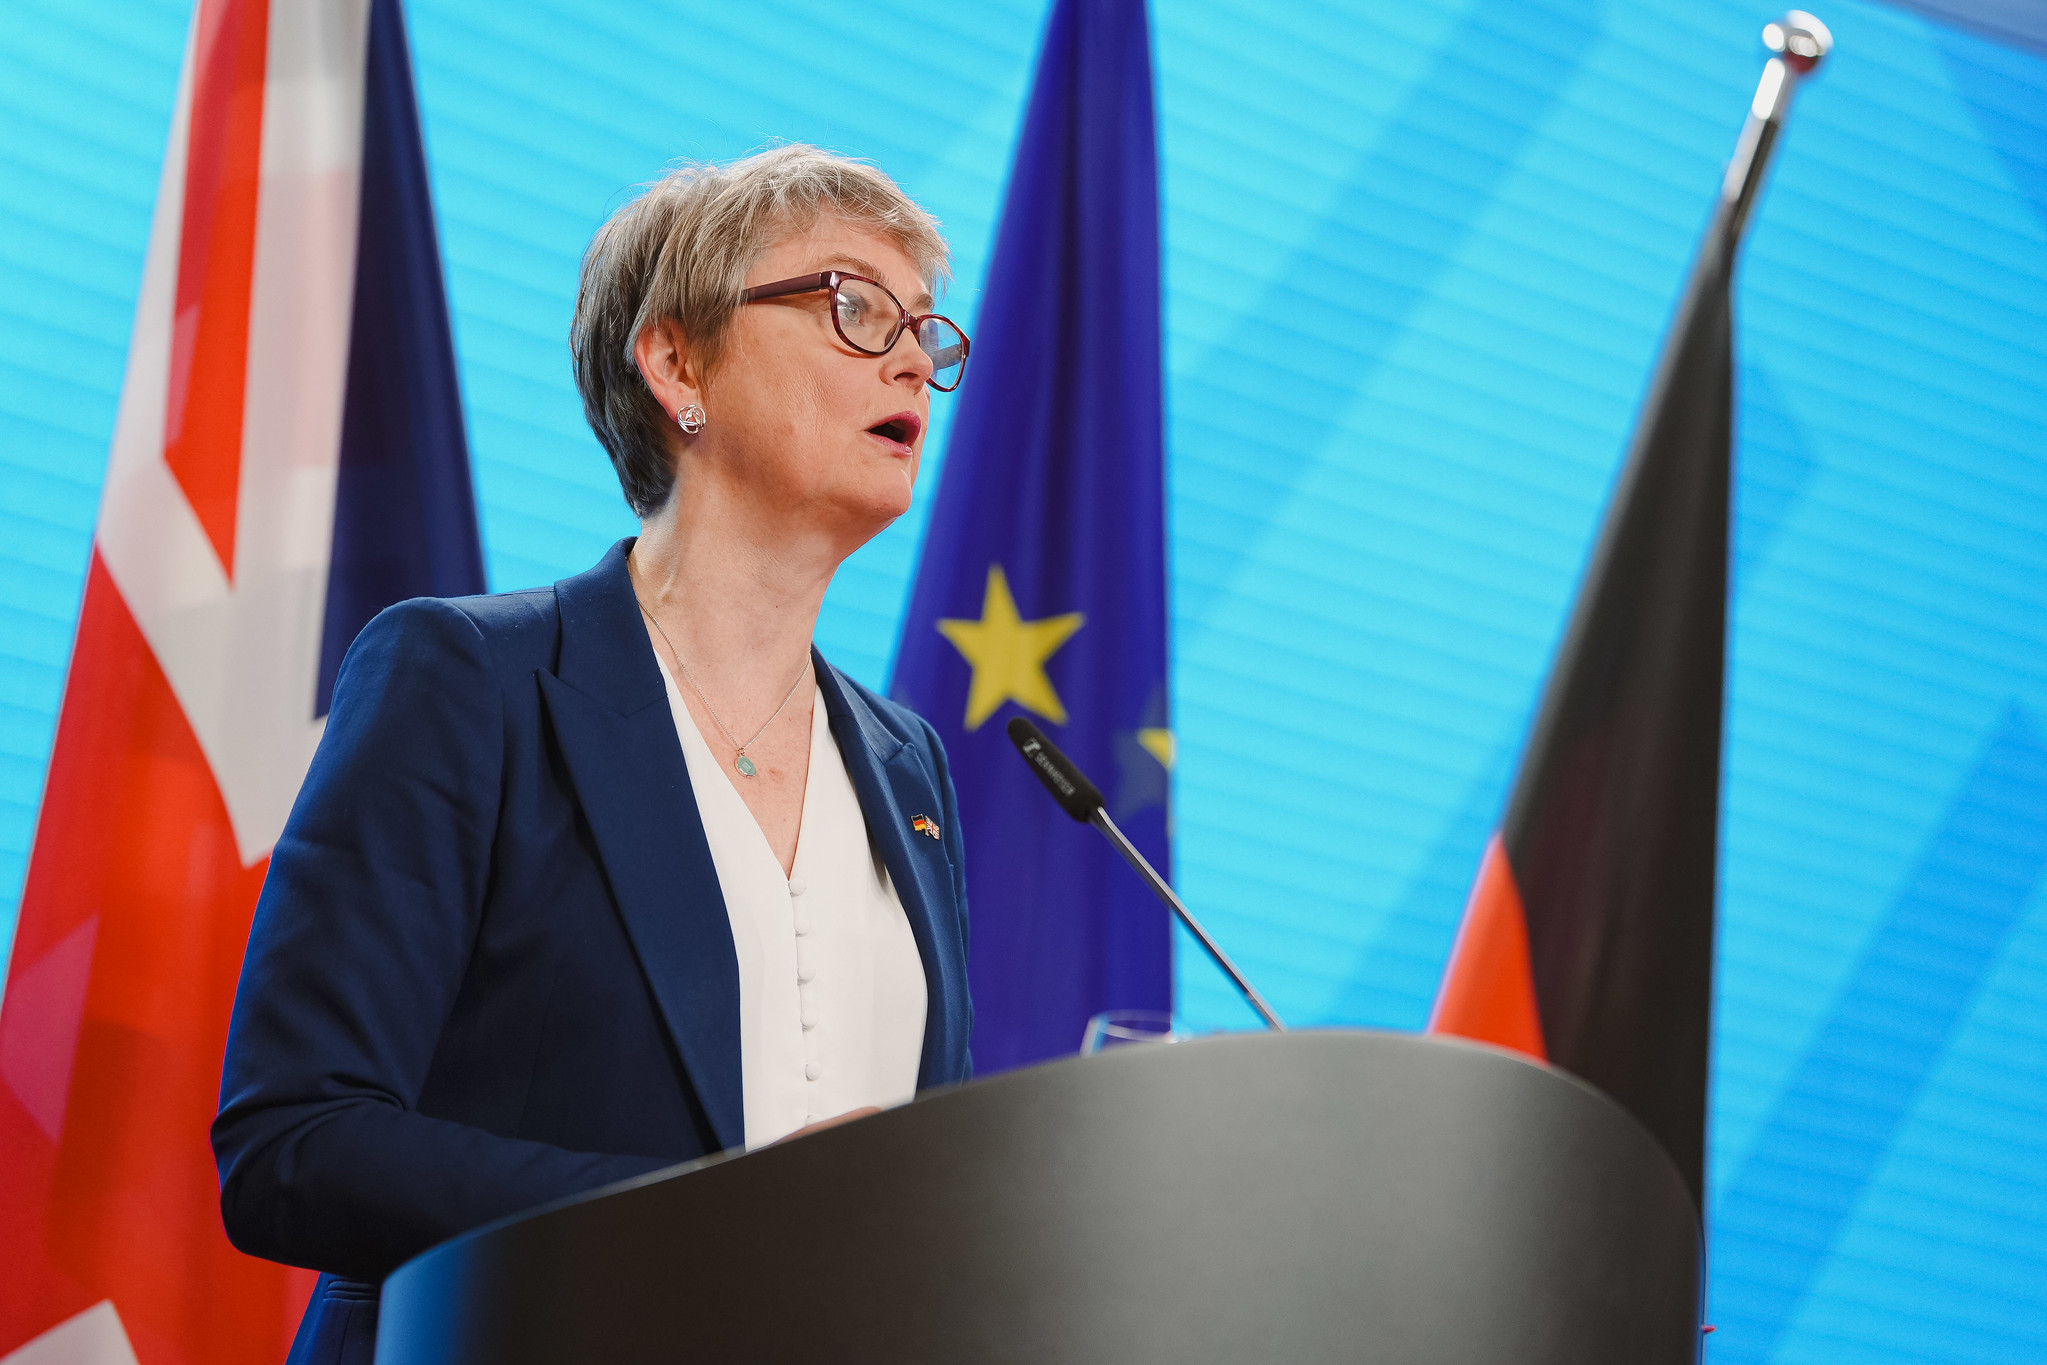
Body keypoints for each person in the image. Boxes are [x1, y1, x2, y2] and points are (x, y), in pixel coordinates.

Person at [212, 145, 976, 1365]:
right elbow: (295, 1145)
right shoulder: (469, 681)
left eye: (926, 332)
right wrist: (717, 1220)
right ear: (677, 363)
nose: (910, 364)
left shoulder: (906, 765)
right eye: (854, 307)